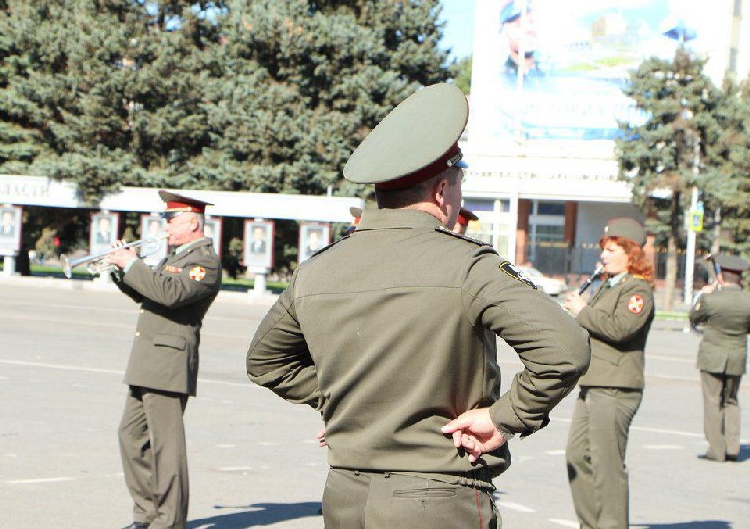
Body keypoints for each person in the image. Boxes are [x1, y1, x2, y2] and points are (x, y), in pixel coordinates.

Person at [246, 83, 590, 528]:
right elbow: (565, 348)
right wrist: (503, 418)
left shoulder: (317, 269)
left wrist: (352, 402)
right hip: (436, 498)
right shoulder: (468, 265)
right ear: (444, 191)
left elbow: (265, 362)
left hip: (346, 497)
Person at [106, 190, 221, 529]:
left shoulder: (204, 261)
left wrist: (132, 264)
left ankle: (169, 522)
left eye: (171, 220)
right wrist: (120, 270)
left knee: (166, 449)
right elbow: (150, 290)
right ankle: (147, 513)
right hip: (148, 361)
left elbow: (170, 294)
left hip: (168, 363)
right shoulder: (180, 255)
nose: (166, 227)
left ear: (192, 221)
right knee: (130, 437)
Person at [563, 217, 655, 529]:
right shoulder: (607, 286)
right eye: (604, 249)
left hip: (616, 388)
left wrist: (583, 311)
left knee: (607, 467)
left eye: (612, 249)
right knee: (576, 458)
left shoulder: (637, 290)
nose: (603, 255)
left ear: (632, 254)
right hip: (592, 384)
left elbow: (620, 329)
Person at [689, 253, 750, 463]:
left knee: (712, 400)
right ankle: (733, 447)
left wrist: (702, 294)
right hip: (737, 356)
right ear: (740, 278)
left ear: (721, 277)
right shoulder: (747, 301)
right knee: (731, 400)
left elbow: (694, 317)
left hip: (712, 356)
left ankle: (717, 449)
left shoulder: (711, 299)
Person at [500, 0, 544, 88]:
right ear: (504, 30)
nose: (528, 29)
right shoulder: (501, 78)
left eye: (531, 22)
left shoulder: (547, 74)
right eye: (518, 25)